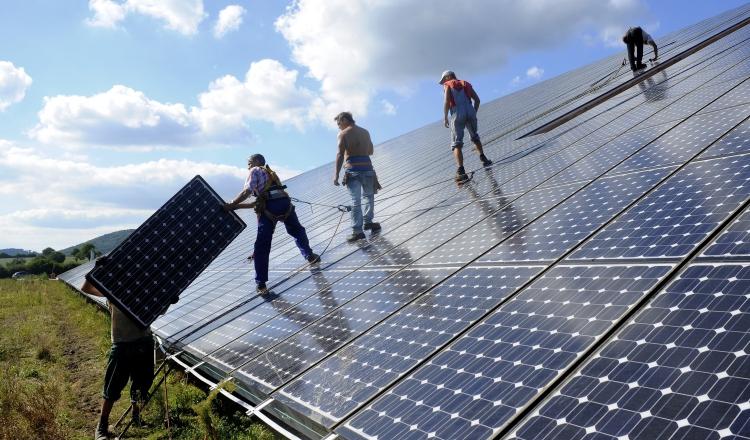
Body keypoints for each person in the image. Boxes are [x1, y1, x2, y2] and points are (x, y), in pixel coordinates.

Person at [224, 154, 319, 293]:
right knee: (297, 230)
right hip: (285, 205)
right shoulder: (271, 174)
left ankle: (261, 283)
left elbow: (247, 191)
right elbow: (262, 201)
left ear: (256, 162)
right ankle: (309, 254)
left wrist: (232, 203)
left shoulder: (254, 171)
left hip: (270, 207)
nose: (247, 167)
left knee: (262, 244)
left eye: (249, 163)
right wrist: (237, 207)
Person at [81, 264, 155, 440]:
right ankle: (102, 426)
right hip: (122, 344)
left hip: (144, 342)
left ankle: (135, 416)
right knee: (112, 387)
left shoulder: (145, 293)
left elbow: (159, 310)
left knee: (140, 384)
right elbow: (86, 287)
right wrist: (96, 270)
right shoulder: (114, 291)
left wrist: (168, 298)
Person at [333, 112, 381, 242]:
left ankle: (357, 231)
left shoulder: (343, 134)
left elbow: (340, 154)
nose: (338, 127)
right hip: (368, 168)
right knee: (368, 196)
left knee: (355, 201)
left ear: (344, 120)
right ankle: (368, 221)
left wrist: (336, 174)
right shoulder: (365, 132)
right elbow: (370, 151)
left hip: (353, 171)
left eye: (339, 123)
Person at [439, 70, 492, 184]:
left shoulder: (448, 85)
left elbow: (447, 101)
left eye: (444, 79)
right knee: (475, 136)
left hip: (457, 112)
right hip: (470, 110)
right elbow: (477, 100)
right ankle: (483, 159)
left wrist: (445, 117)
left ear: (448, 77)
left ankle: (461, 171)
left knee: (456, 143)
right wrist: (473, 112)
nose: (444, 82)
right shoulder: (466, 83)